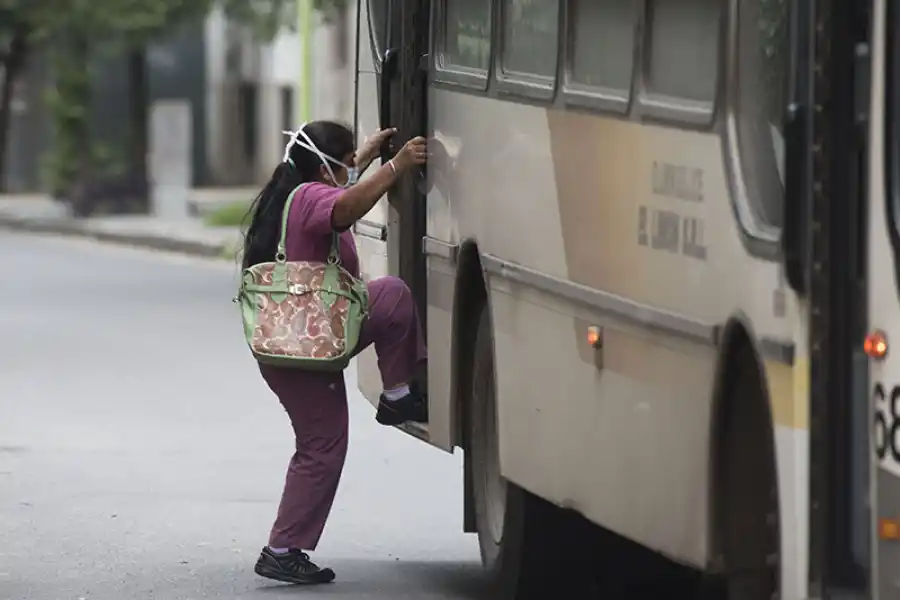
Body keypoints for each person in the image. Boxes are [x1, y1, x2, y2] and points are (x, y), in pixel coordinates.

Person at [240, 120, 429, 585]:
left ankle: (398, 394)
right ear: (325, 168)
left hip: (295, 341)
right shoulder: (311, 198)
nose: (351, 172)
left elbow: (339, 188)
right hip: (304, 347)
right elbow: (344, 205)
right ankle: (282, 549)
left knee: (321, 442)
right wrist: (396, 167)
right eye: (344, 165)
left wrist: (362, 157)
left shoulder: (292, 190)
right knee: (322, 445)